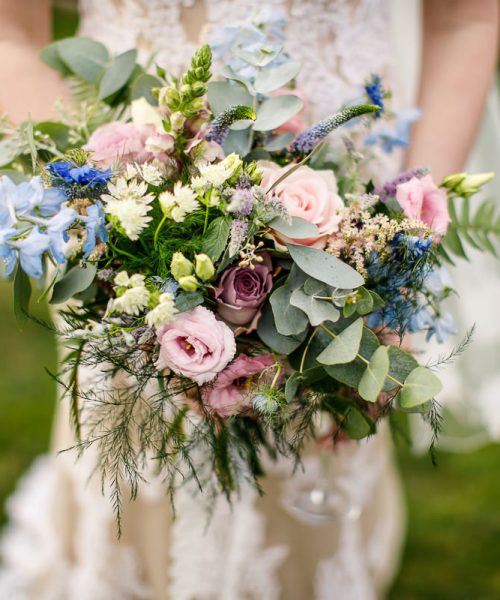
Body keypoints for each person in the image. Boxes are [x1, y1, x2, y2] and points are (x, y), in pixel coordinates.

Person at [0, 1, 497, 599]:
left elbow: (465, 18)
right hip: (128, 208)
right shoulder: (117, 226)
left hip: (351, 216)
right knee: (130, 468)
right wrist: (105, 220)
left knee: (315, 458)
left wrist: (399, 247)